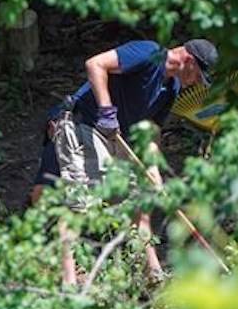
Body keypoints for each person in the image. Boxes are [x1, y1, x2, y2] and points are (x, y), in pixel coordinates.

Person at [30, 38, 219, 285]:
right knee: (79, 204)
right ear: (189, 61)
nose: (195, 82)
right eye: (198, 76)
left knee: (139, 204)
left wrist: (153, 170)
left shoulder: (171, 87)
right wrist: (107, 112)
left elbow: (151, 131)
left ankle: (152, 275)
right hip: (86, 125)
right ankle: (69, 281)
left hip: (118, 140)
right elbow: (95, 64)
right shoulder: (149, 53)